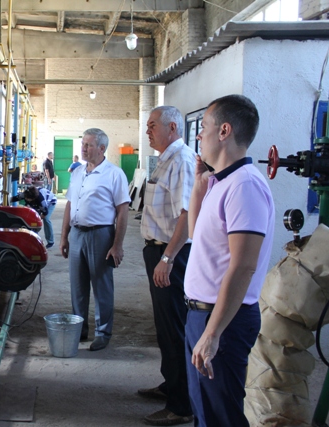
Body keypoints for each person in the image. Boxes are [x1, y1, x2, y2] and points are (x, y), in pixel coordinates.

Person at [184, 94, 274, 426]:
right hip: (202, 314)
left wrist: (213, 333)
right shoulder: (221, 182)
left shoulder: (244, 186)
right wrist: (199, 186)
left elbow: (244, 265)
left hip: (223, 319)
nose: (199, 135)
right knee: (205, 411)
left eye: (204, 127)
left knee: (220, 416)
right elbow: (196, 235)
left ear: (224, 131)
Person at [138, 106, 195, 426]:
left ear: (172, 127)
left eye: (152, 126)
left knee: (174, 329)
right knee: (164, 327)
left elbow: (187, 216)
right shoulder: (166, 159)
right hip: (158, 251)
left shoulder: (182, 161)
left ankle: (181, 405)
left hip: (172, 255)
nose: (148, 131)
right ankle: (170, 385)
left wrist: (167, 258)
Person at [60, 128, 130, 351]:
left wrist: (117, 245)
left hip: (101, 235)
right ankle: (79, 329)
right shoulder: (77, 172)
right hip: (77, 234)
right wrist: (64, 237)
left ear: (101, 148)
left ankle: (103, 332)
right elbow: (70, 204)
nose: (83, 148)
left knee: (101, 285)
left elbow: (123, 211)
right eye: (83, 144)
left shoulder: (114, 174)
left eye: (88, 145)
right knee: (77, 287)